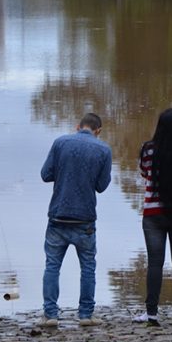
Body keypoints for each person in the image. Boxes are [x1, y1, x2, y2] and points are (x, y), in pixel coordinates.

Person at [40, 113, 112, 327]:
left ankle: (51, 315)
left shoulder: (60, 143)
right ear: (98, 131)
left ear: (77, 126)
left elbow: (45, 175)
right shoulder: (104, 150)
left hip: (58, 215)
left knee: (52, 266)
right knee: (88, 267)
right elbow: (101, 186)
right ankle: (86, 315)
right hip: (85, 219)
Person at [133, 108, 172, 327]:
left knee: (155, 264)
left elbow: (144, 172)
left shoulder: (148, 150)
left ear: (159, 127)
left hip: (154, 214)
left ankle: (151, 314)